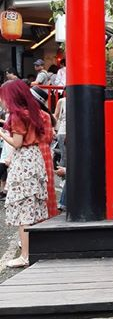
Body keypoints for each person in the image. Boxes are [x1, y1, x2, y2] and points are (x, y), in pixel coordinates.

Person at [0, 79, 49, 268]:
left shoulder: (17, 115)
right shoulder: (32, 111)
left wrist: (2, 134)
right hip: (34, 157)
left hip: (24, 160)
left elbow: (17, 143)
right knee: (32, 205)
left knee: (23, 209)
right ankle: (30, 251)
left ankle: (25, 255)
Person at [30, 86, 58, 218]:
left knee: (35, 184)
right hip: (45, 150)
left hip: (35, 149)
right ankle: (49, 214)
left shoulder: (34, 115)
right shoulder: (46, 115)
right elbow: (49, 138)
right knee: (47, 184)